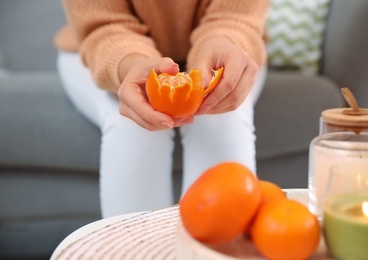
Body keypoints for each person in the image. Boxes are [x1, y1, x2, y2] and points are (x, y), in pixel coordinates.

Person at [54, 0, 269, 218]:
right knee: (133, 126)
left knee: (222, 119)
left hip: (226, 45)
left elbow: (235, 16)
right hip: (105, 47)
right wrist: (129, 63)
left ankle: (214, 247)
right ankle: (137, 249)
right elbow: (106, 25)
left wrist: (225, 40)